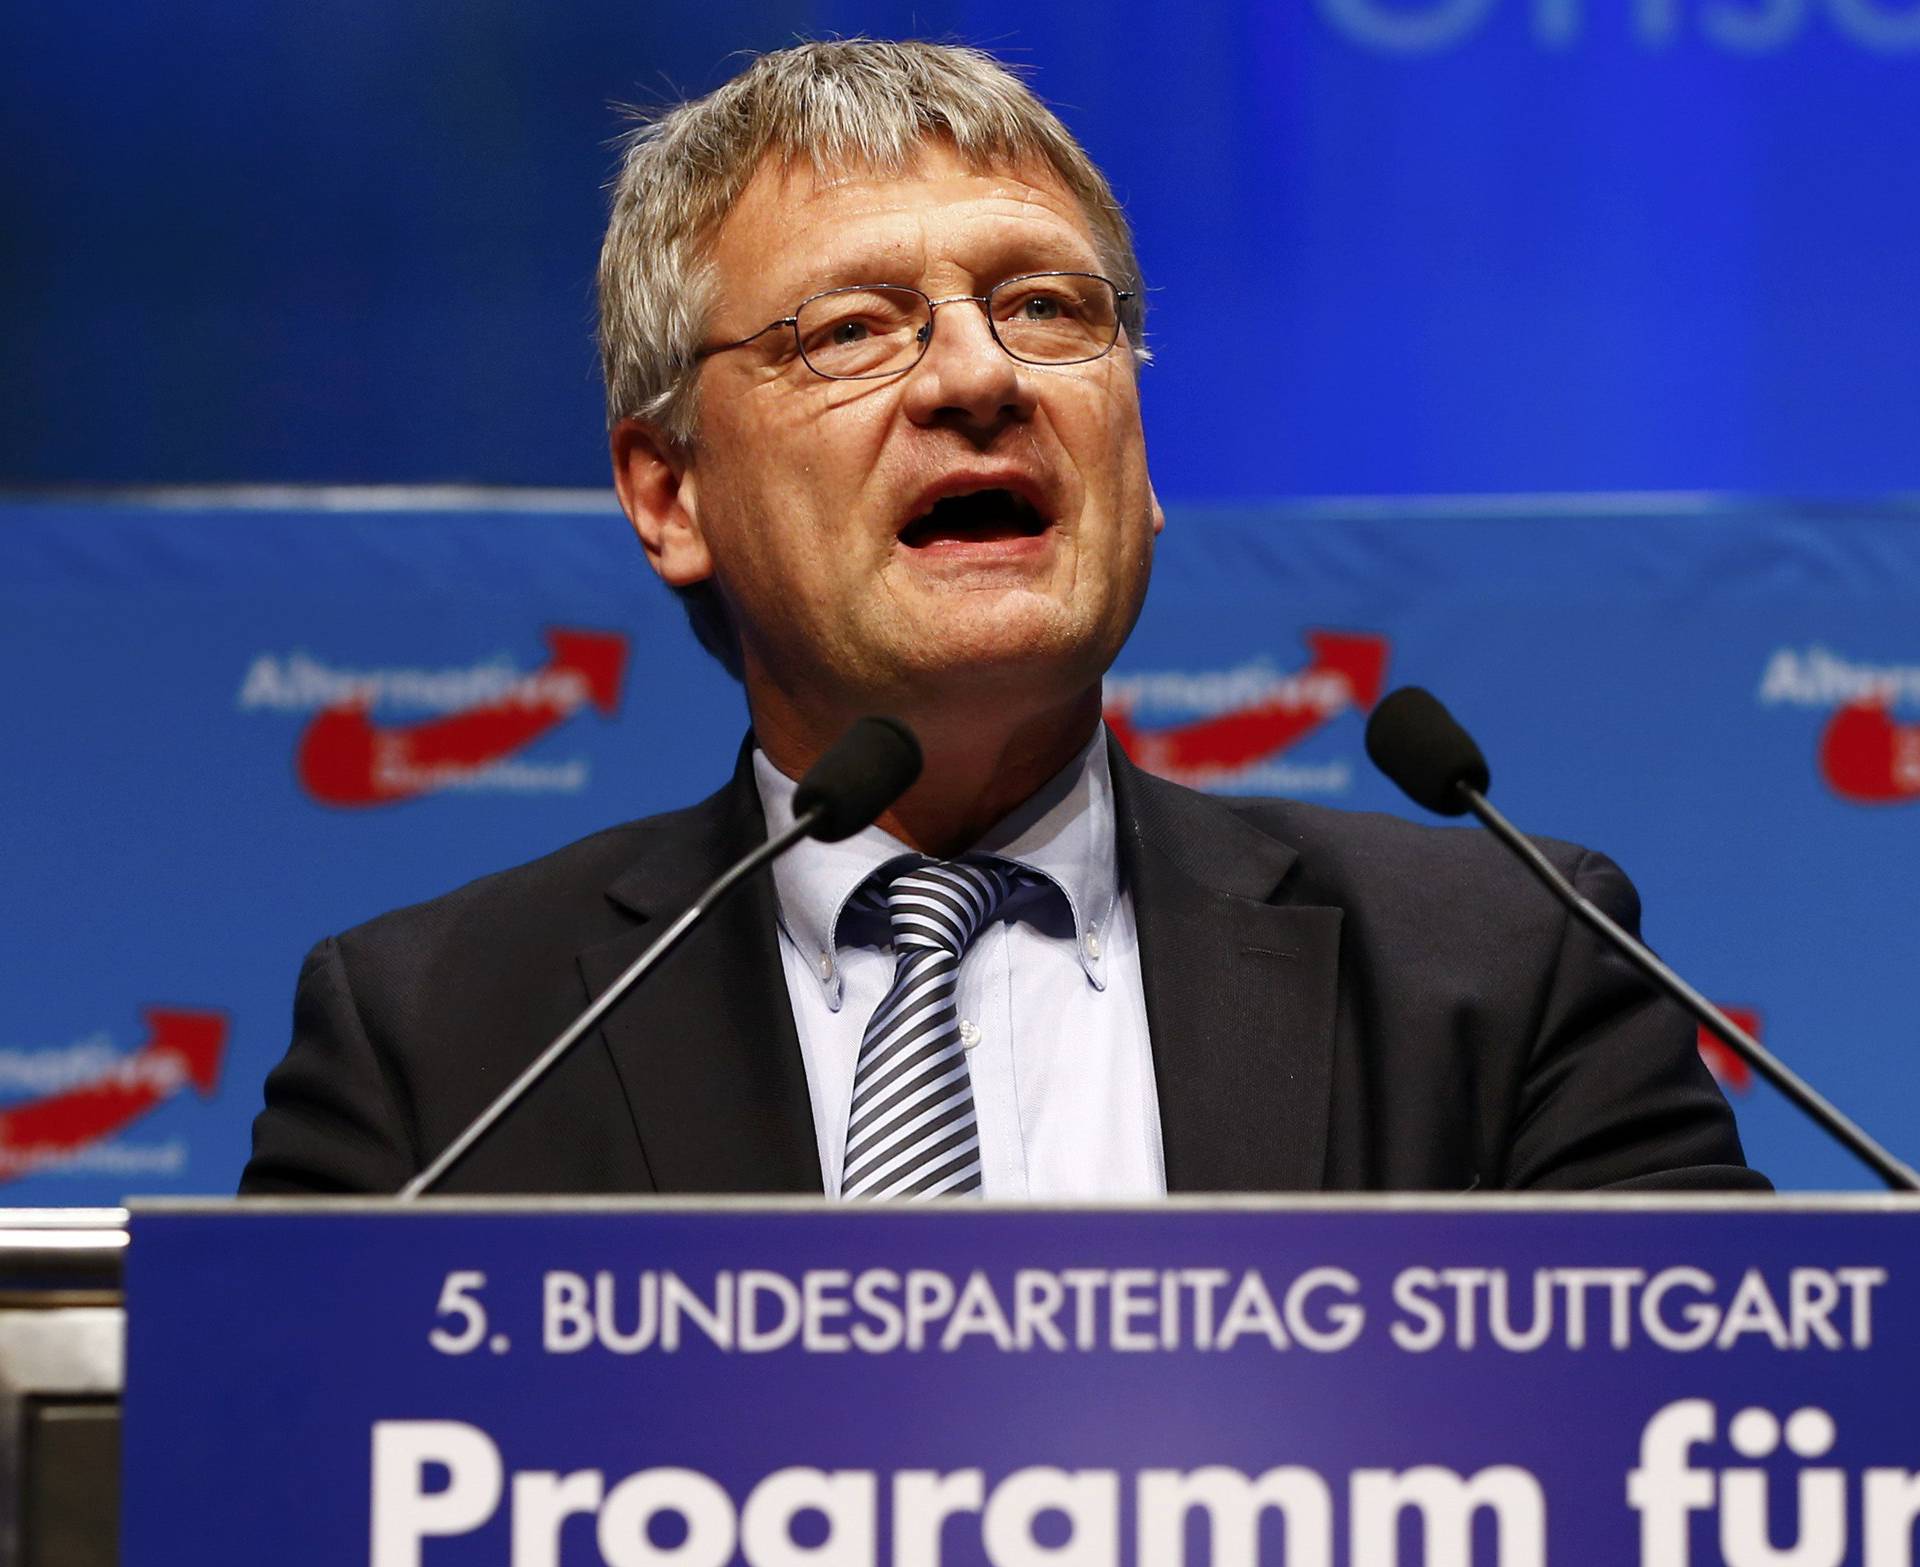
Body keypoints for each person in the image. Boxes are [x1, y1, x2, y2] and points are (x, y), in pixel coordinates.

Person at [242, 38, 1761, 1200]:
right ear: (669, 496)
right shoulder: (443, 1045)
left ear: (1144, 468)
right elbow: (267, 1563)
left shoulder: (1501, 968)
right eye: (848, 330)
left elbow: (1710, 1487)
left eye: (1048, 308)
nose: (981, 379)